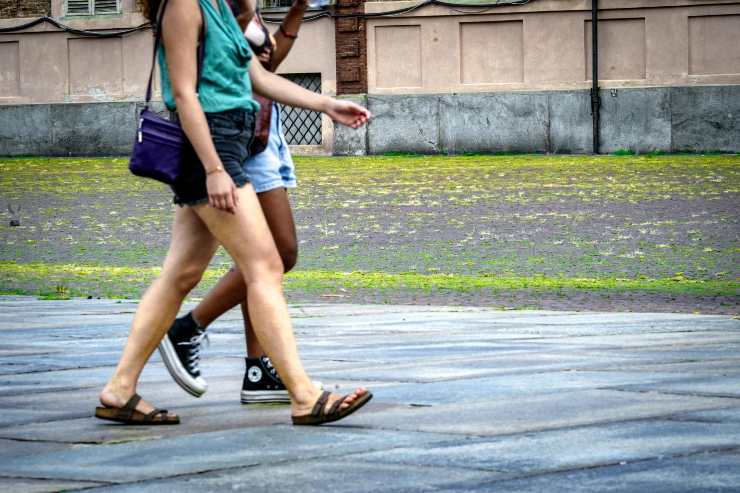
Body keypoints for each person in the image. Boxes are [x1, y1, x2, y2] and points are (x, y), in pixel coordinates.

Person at [95, 0, 372, 425]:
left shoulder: (219, 7)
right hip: (211, 146)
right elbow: (184, 93)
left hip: (228, 144)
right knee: (265, 265)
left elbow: (257, 77)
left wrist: (326, 105)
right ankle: (304, 395)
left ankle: (119, 389)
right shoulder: (183, 5)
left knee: (181, 274)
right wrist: (214, 169)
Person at [158, 0, 318, 405]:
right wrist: (214, 167)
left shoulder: (241, 7)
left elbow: (266, 66)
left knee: (250, 262)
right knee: (273, 256)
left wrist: (298, 9)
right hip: (233, 139)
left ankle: (256, 366)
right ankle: (190, 330)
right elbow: (194, 86)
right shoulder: (208, 8)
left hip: (260, 130)